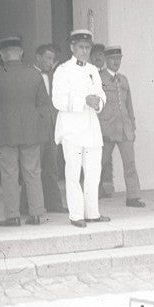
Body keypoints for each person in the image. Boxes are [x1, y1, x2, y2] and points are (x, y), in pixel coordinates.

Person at [0, 36, 50, 227]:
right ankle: (36, 214)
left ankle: (13, 216)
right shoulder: (34, 74)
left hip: (5, 131)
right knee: (33, 172)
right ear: (20, 53)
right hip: (31, 131)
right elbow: (43, 103)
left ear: (2, 55)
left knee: (9, 174)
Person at [53, 29, 107, 228]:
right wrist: (83, 101)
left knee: (94, 172)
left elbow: (102, 94)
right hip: (71, 129)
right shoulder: (63, 70)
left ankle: (92, 213)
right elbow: (57, 100)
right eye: (81, 47)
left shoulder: (93, 70)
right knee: (73, 173)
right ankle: (76, 215)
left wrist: (98, 102)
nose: (85, 51)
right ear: (72, 48)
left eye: (87, 47)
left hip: (91, 128)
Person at [97, 45, 145, 208]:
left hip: (124, 128)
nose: (116, 62)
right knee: (98, 163)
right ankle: (91, 195)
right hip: (106, 129)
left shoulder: (123, 80)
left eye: (118, 59)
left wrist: (132, 123)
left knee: (130, 163)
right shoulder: (98, 78)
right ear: (105, 60)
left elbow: (128, 104)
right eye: (112, 59)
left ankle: (133, 196)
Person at [33, 43, 68, 214]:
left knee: (52, 168)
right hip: (36, 129)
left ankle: (54, 203)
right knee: (33, 168)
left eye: (52, 59)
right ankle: (29, 205)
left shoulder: (55, 77)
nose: (50, 62)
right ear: (38, 57)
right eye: (47, 58)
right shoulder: (30, 75)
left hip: (53, 128)